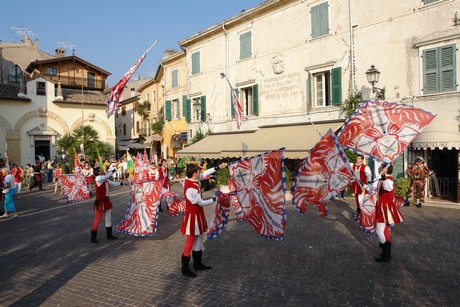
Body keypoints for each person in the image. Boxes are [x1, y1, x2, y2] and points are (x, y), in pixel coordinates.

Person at [180, 162, 227, 278]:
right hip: (192, 216)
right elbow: (201, 202)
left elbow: (206, 173)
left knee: (199, 237)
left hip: (197, 214)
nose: (200, 172)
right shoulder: (190, 188)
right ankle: (184, 268)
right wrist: (214, 199)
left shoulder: (193, 180)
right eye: (198, 171)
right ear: (195, 173)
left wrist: (217, 167)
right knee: (190, 240)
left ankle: (197, 263)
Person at [372, 164, 404, 263]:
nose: (379, 167)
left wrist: (383, 176)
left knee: (379, 231)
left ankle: (386, 255)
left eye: (381, 167)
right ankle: (387, 254)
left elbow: (388, 188)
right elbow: (375, 189)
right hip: (382, 206)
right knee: (385, 230)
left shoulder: (388, 180)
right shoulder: (383, 179)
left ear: (386, 169)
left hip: (384, 207)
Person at [90, 166, 125, 243]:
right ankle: (93, 237)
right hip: (100, 202)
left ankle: (109, 235)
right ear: (98, 172)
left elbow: (113, 183)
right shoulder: (98, 178)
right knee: (97, 218)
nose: (103, 170)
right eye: (101, 170)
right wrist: (114, 170)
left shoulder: (105, 179)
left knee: (108, 217)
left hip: (106, 201)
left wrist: (123, 183)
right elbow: (107, 175)